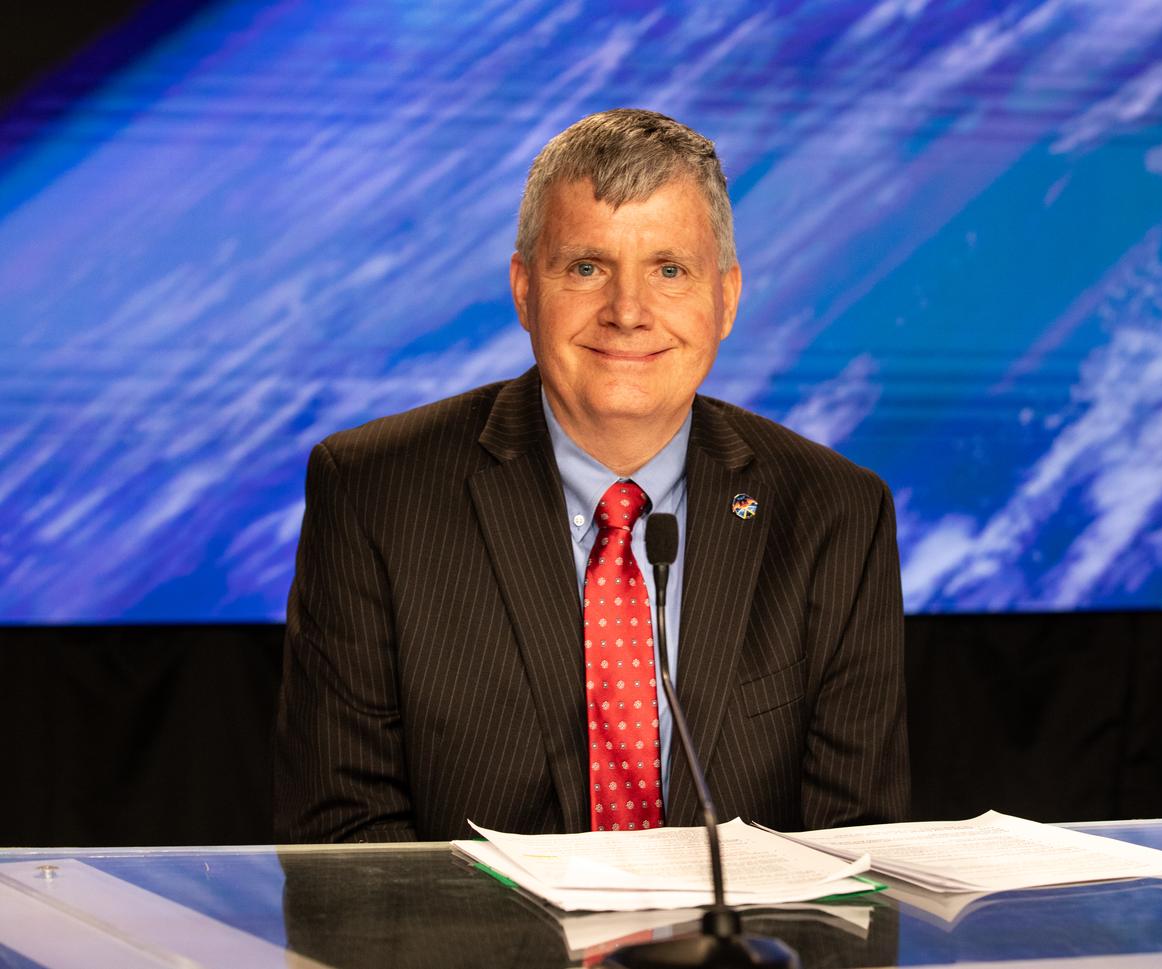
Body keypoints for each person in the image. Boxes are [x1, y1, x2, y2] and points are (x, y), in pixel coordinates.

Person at [273, 108, 909, 843]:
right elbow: (346, 846)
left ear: (726, 298)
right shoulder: (374, 494)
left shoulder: (836, 514)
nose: (628, 312)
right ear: (523, 290)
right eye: (586, 267)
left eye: (669, 270)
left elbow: (859, 854)